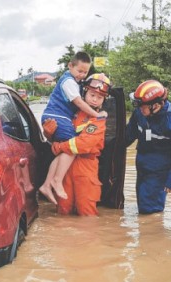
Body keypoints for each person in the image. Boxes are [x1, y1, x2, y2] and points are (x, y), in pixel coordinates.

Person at [39, 52, 108, 203]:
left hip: (85, 170)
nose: (94, 99)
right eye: (92, 95)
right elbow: (77, 103)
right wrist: (49, 136)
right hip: (67, 172)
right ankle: (53, 182)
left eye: (99, 97)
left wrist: (57, 147)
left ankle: (50, 183)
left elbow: (82, 145)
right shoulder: (75, 111)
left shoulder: (98, 119)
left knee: (86, 212)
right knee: (63, 211)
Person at [125, 80, 171, 214]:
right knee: (143, 206)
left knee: (150, 212)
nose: (139, 108)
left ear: (156, 105)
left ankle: (153, 231)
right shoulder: (140, 113)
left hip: (159, 173)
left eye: (142, 106)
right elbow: (127, 136)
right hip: (142, 167)